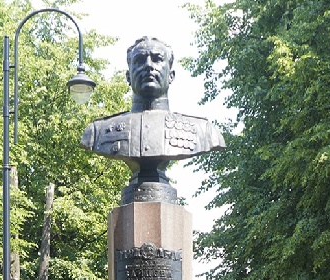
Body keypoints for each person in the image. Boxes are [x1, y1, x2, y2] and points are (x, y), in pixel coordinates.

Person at [81, 36, 225, 201]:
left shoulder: (203, 131)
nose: (148, 65)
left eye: (157, 59)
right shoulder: (97, 132)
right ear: (128, 76)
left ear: (171, 75)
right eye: (140, 60)